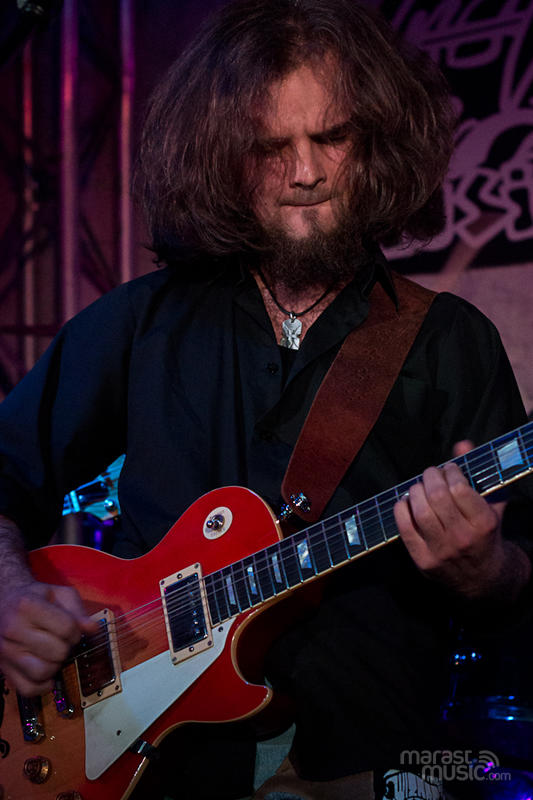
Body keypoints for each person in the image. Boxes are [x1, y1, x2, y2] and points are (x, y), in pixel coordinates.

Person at [0, 1, 531, 798]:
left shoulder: (449, 342)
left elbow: (521, 582)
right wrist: (8, 595)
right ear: (221, 158)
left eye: (332, 137)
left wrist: (486, 570)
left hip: (363, 758)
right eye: (270, 147)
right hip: (154, 768)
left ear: (376, 143)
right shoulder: (142, 323)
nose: (306, 173)